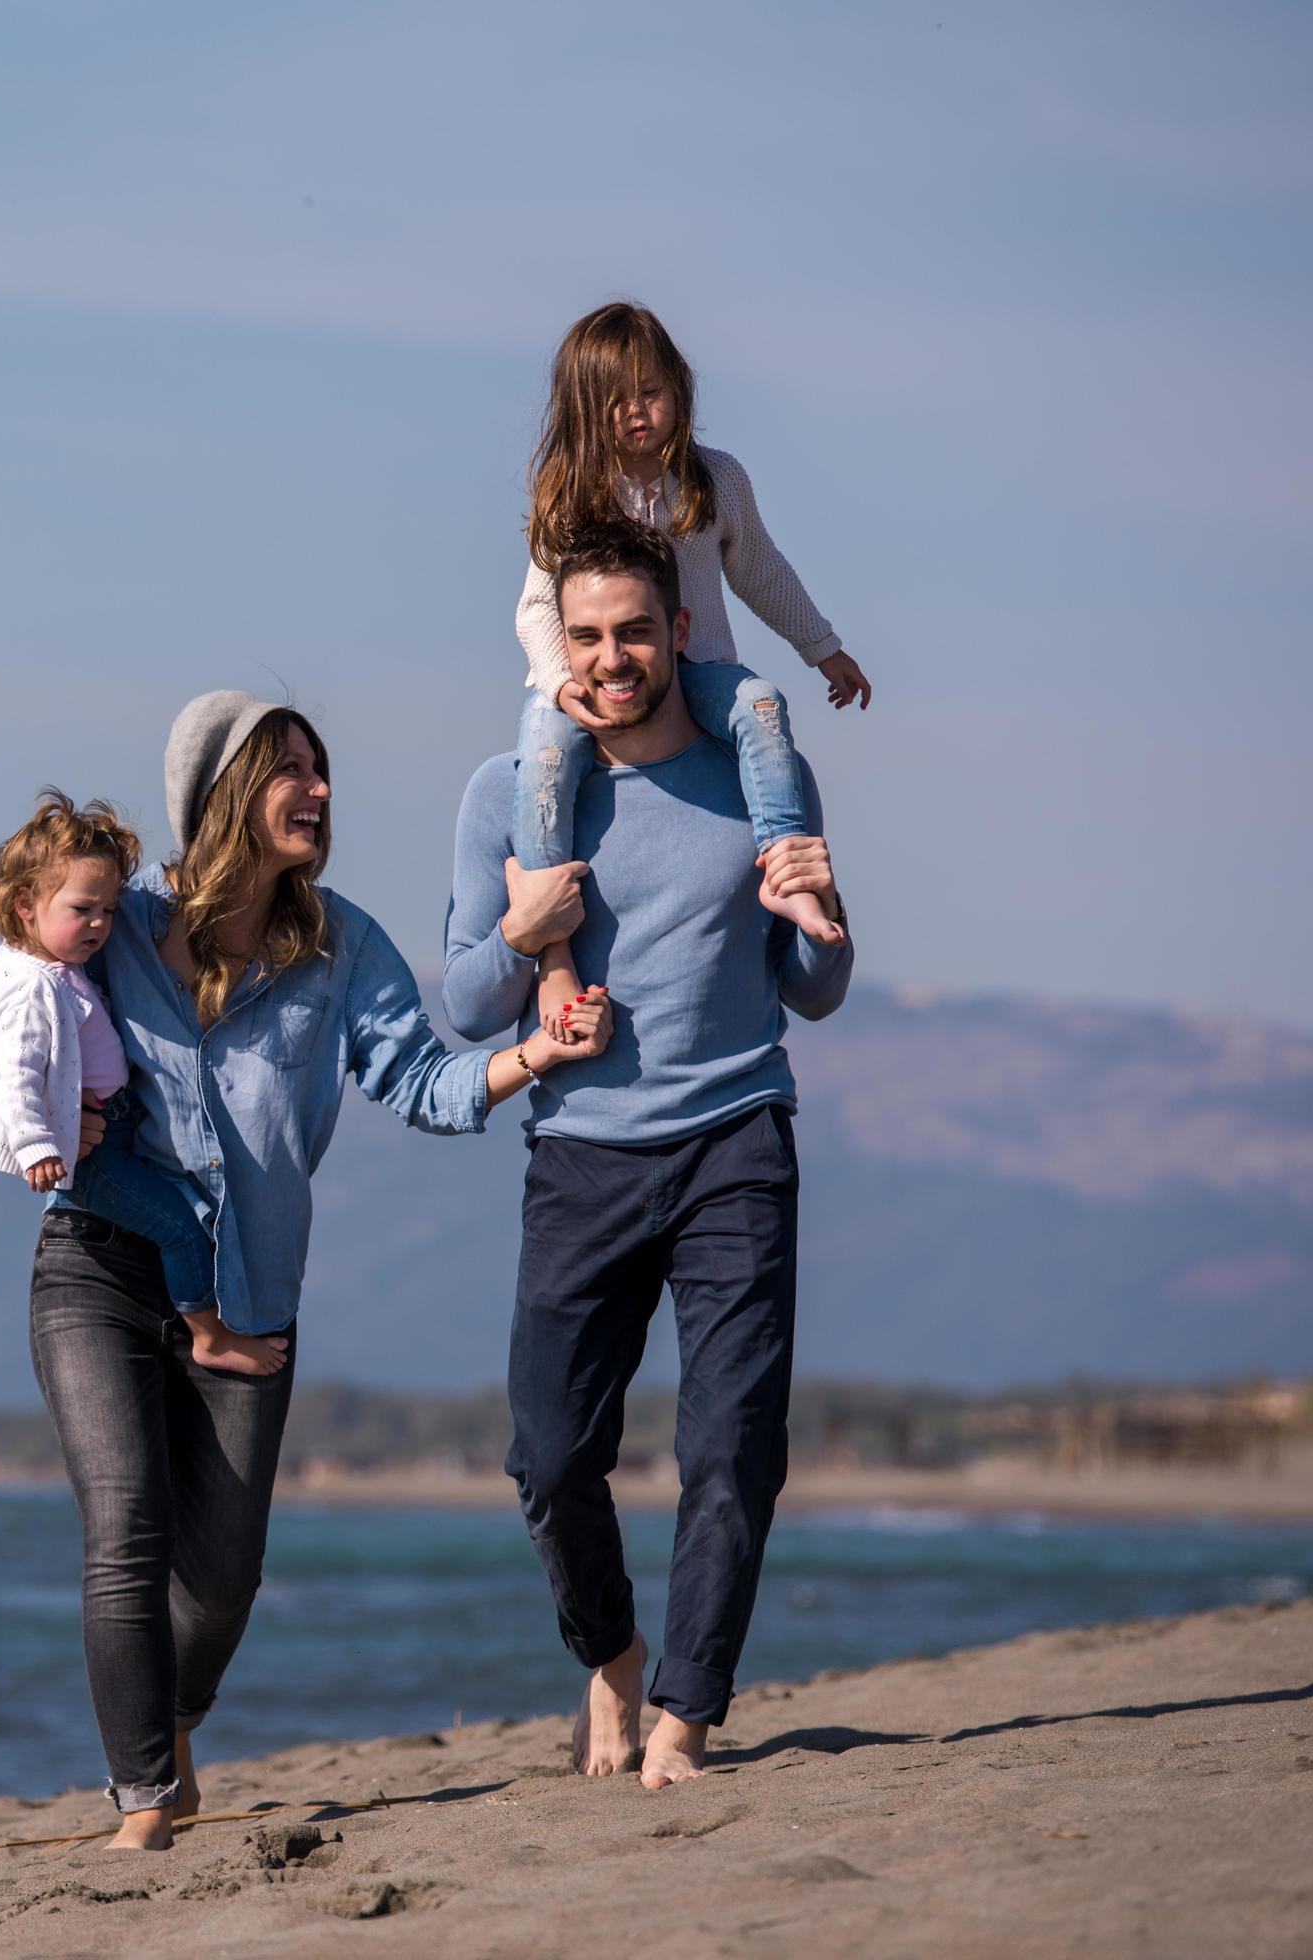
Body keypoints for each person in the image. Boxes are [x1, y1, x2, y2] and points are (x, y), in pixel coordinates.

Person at [34, 691, 611, 1850]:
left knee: (226, 1577)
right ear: (222, 794)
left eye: (322, 768)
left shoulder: (339, 945)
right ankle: (144, 1799)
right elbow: (22, 997)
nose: (322, 790)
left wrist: (532, 1054)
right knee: (126, 1527)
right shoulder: (122, 929)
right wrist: (32, 1113)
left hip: (247, 1292)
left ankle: (176, 1723)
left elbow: (425, 1084)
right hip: (100, 1263)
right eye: (292, 769)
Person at [445, 519, 855, 1790]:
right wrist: (522, 936)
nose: (613, 658)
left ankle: (684, 1716)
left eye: (635, 630)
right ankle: (611, 1653)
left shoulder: (755, 777)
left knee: (733, 1442)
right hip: (582, 1156)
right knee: (551, 1455)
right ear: (555, 647)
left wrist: (828, 919)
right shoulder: (501, 796)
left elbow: (816, 988)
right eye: (588, 636)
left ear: (680, 629)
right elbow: (466, 1006)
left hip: (737, 1133)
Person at [508, 300, 864, 1037]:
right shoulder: (571, 487)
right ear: (582, 410)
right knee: (541, 759)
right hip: (584, 680)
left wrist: (821, 646)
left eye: (650, 391)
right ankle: (553, 952)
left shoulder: (715, 479)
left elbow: (759, 570)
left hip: (696, 669)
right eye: (613, 401)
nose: (635, 413)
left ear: (680, 387)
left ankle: (784, 868)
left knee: (761, 705)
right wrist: (560, 686)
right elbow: (536, 607)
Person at [0, 790, 290, 1377]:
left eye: (110, 910)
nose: (100, 924)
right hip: (96, 1151)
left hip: (117, 1125)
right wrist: (36, 1143)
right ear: (24, 906)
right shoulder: (31, 987)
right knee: (179, 1229)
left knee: (187, 1212)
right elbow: (12, 1071)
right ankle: (208, 1335)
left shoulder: (57, 971)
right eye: (83, 909)